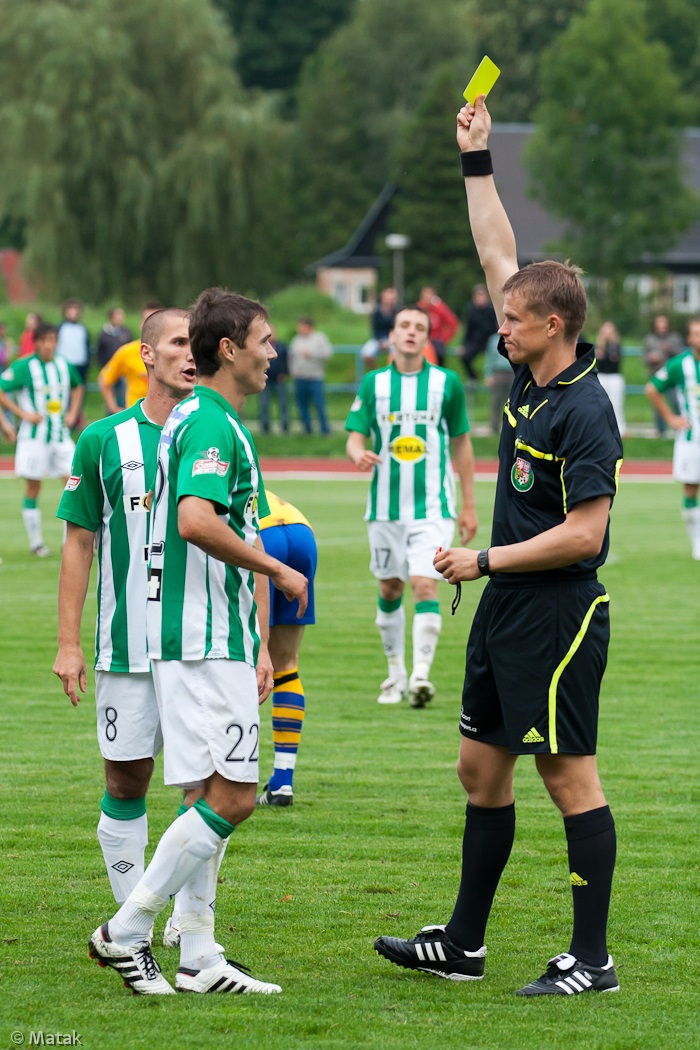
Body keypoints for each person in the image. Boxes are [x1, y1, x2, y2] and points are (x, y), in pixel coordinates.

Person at [374, 95, 623, 997]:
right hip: (508, 606)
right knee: (479, 770)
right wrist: (475, 159)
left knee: (567, 777)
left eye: (514, 320)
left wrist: (482, 561)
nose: (499, 327)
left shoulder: (585, 409)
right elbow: (494, 250)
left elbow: (586, 534)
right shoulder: (528, 374)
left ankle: (591, 960)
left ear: (552, 325)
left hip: (557, 612)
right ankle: (465, 946)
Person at [87, 287, 308, 996]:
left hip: (202, 634)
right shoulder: (210, 421)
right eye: (265, 340)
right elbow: (195, 520)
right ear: (231, 349)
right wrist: (276, 568)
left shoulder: (196, 418)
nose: (274, 352)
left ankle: (199, 957)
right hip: (203, 636)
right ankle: (126, 931)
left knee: (207, 795)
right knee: (233, 797)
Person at [53, 308, 195, 910]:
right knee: (125, 779)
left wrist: (262, 645)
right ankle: (130, 929)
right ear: (147, 355)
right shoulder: (103, 438)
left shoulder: (219, 434)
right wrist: (68, 644)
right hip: (126, 644)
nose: (191, 354)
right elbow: (78, 544)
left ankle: (193, 928)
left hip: (201, 646)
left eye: (198, 343)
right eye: (179, 342)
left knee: (206, 789)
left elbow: (249, 541)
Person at [345, 304, 478, 708]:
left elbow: (462, 443)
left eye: (419, 327)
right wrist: (358, 454)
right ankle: (396, 675)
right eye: (404, 325)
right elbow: (354, 435)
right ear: (392, 335)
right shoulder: (374, 384)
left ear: (427, 337)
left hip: (433, 508)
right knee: (390, 586)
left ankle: (421, 675)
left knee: (424, 583)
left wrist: (469, 505)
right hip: (385, 510)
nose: (411, 332)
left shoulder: (446, 383)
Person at [0, 322, 83, 556]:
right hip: (33, 438)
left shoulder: (64, 365)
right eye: (44, 340)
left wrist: (73, 412)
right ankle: (36, 542)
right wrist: (21, 415)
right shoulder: (24, 366)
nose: (49, 345)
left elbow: (78, 387)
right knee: (33, 486)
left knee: (74, 484)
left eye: (53, 340)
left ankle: (69, 542)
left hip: (60, 435)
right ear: (36, 342)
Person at [256, 490, 317, 806]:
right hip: (300, 528)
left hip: (259, 536)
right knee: (286, 665)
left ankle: (234, 777)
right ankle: (282, 781)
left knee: (241, 661)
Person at [645, 317, 700, 560]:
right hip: (691, 439)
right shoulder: (680, 365)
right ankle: (697, 543)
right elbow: (652, 388)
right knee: (691, 488)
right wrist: (670, 418)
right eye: (696, 333)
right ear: (689, 338)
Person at [98, 303, 162, 414]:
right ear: (141, 324)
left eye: (158, 322)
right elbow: (104, 380)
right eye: (148, 321)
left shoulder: (178, 353)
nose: (153, 327)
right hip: (137, 417)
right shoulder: (127, 352)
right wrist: (114, 408)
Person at [288, 316, 333, 434]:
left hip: (315, 377)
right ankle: (307, 430)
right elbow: (291, 357)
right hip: (300, 377)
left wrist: (311, 354)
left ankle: (325, 429)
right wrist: (293, 370)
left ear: (308, 326)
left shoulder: (320, 338)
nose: (299, 329)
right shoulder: (296, 339)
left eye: (301, 326)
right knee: (302, 405)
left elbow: (327, 354)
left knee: (319, 404)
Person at [643, 315, 683, 436]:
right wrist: (651, 358)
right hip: (656, 375)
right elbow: (644, 358)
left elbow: (681, 356)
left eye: (663, 325)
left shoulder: (675, 338)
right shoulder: (649, 339)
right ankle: (660, 431)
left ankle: (680, 427)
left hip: (672, 377)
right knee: (658, 404)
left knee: (676, 402)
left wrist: (670, 349)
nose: (661, 327)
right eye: (659, 325)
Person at [460, 284, 498, 381]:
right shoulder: (471, 310)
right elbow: (468, 329)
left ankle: (494, 377)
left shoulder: (492, 309)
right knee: (465, 356)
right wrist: (464, 344)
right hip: (476, 341)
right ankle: (473, 377)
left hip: (490, 340)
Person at [594, 321, 626, 437]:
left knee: (616, 403)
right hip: (601, 376)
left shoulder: (617, 345)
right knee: (600, 404)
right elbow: (599, 359)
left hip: (614, 377)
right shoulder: (598, 345)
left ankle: (620, 429)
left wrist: (604, 356)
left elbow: (615, 359)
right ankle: (600, 429)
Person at [258, 326, 289, 433]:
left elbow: (285, 361)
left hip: (279, 379)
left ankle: (285, 425)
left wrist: (284, 373)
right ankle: (265, 426)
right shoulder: (260, 346)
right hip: (265, 378)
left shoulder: (281, 346)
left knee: (283, 403)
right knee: (264, 403)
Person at [417, 286, 459, 366]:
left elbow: (453, 323)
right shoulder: (418, 309)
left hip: (436, 340)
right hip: (421, 339)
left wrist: (444, 338)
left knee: (438, 354)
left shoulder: (440, 309)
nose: (427, 299)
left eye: (429, 296)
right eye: (425, 296)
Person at [482, 331, 512, 435]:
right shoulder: (493, 339)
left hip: (512, 372)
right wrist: (488, 374)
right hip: (498, 372)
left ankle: (511, 427)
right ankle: (494, 426)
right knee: (496, 401)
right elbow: (489, 357)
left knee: (513, 402)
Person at [361, 287, 398, 366]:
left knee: (397, 355)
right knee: (366, 353)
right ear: (383, 298)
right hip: (378, 339)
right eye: (388, 298)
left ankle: (392, 370)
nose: (390, 301)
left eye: (392, 299)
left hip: (393, 339)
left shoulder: (397, 312)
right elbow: (375, 329)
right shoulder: (376, 312)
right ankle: (376, 371)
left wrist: (391, 340)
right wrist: (380, 341)